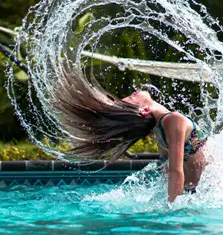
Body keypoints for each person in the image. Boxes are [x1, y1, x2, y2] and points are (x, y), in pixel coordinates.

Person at [53, 68, 207, 202]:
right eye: (131, 99)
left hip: (194, 192)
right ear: (144, 111)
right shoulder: (174, 120)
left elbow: (166, 169)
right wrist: (174, 212)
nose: (132, 93)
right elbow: (175, 170)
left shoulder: (159, 130)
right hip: (203, 191)